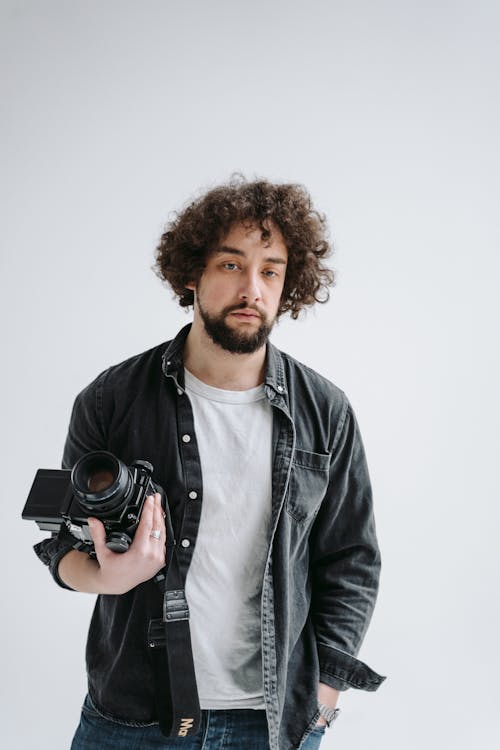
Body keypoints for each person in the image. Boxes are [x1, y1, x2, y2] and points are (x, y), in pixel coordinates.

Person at [34, 177, 385, 750]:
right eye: (231, 265)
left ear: (287, 285)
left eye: (270, 270)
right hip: (132, 715)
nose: (252, 287)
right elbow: (60, 544)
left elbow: (352, 558)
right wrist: (106, 575)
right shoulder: (110, 400)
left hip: (272, 722)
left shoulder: (326, 410)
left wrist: (326, 694)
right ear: (192, 274)